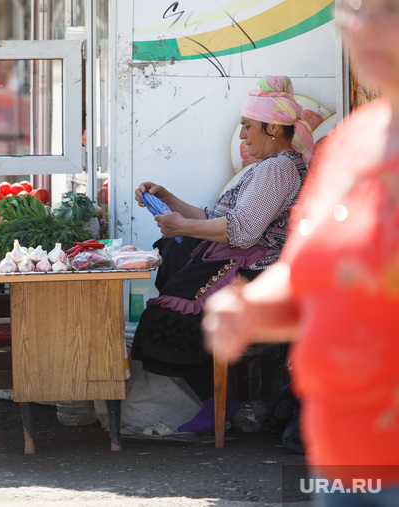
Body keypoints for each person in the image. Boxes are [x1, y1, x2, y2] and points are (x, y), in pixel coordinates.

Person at [203, 2, 399, 505]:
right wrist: (251, 308)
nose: (366, 26)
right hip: (342, 454)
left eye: (389, 10)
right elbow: (310, 272)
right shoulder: (348, 145)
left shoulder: (283, 167)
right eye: (355, 11)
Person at [131, 75, 314, 434]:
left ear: (273, 128)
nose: (243, 135)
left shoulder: (277, 168)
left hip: (259, 270)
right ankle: (216, 402)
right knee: (174, 270)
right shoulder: (270, 167)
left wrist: (181, 227)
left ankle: (217, 403)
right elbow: (219, 219)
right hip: (250, 263)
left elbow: (243, 233)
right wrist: (169, 201)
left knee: (171, 319)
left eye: (247, 126)